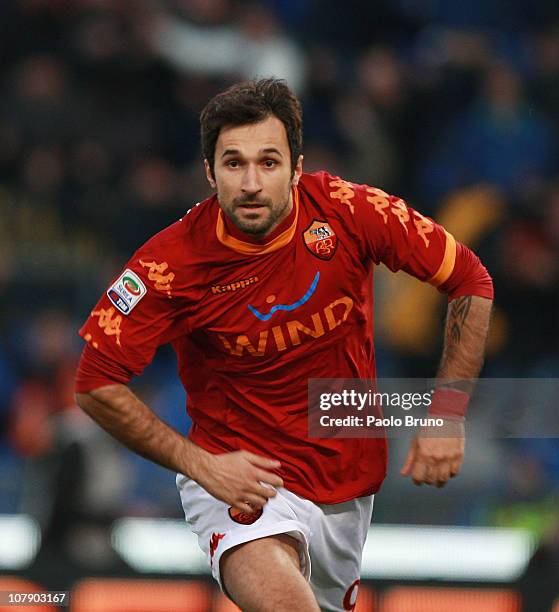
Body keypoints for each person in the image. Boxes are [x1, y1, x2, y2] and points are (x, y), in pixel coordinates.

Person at [75, 79, 493, 612]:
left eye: (268, 163)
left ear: (297, 168)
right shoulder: (170, 264)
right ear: (209, 172)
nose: (251, 182)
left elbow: (471, 280)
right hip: (239, 480)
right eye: (233, 164)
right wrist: (200, 464)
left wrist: (447, 413)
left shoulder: (349, 211)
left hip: (346, 476)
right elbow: (94, 383)